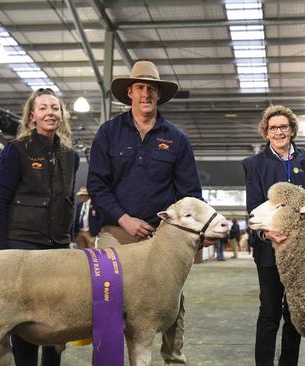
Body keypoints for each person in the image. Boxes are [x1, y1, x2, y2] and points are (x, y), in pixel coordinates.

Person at [87, 60, 209, 365]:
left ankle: (174, 359)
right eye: (140, 88)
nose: (146, 94)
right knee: (110, 302)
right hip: (116, 233)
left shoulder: (177, 139)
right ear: (129, 92)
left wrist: (192, 231)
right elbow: (97, 186)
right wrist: (124, 219)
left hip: (162, 239)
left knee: (171, 306)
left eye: (151, 89)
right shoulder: (108, 133)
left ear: (158, 95)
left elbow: (190, 195)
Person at [0, 88, 79, 366]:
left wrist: (70, 238)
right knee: (25, 320)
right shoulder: (16, 150)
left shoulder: (71, 156)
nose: (50, 113)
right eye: (43, 108)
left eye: (55, 108)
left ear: (62, 115)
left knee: (57, 322)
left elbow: (68, 201)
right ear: (32, 116)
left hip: (58, 248)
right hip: (22, 246)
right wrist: (0, 251)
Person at [243, 105, 305, 366]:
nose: (279, 132)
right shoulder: (254, 165)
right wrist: (269, 234)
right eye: (273, 128)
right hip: (269, 251)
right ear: (266, 133)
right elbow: (253, 208)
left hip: (301, 253)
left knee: (294, 315)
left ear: (292, 130)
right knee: (269, 312)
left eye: (284, 127)